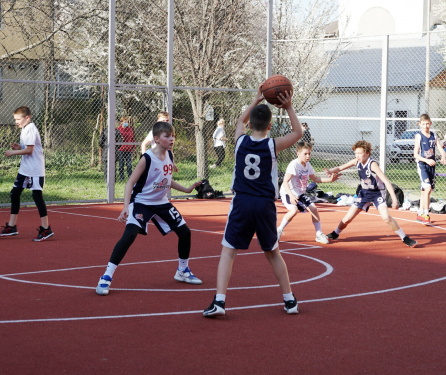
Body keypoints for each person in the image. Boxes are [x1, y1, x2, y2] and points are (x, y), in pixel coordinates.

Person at [203, 87, 303, 318]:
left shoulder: (239, 142)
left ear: (250, 125)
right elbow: (297, 132)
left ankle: (219, 301)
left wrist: (256, 99)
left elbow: (239, 120)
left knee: (228, 252)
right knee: (273, 252)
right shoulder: (272, 145)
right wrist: (288, 107)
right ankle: (289, 300)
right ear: (270, 126)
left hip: (242, 202)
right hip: (264, 204)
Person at [95, 121, 202, 296]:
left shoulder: (170, 156)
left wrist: (188, 189)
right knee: (129, 235)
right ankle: (106, 276)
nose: (172, 139)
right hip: (142, 202)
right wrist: (125, 207)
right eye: (168, 136)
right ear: (157, 139)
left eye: (173, 136)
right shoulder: (146, 158)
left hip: (161, 202)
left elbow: (167, 180)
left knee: (185, 232)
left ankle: (182, 271)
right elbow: (130, 182)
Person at [324, 140, 417, 247]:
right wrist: (331, 171)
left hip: (377, 194)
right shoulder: (356, 161)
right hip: (364, 194)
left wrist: (394, 199)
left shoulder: (372, 164)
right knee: (347, 218)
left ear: (367, 153)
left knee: (386, 217)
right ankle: (336, 233)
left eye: (359, 153)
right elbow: (340, 168)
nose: (357, 155)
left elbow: (386, 181)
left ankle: (404, 237)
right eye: (355, 153)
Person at [0, 106, 52, 241]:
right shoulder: (25, 129)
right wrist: (19, 147)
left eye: (18, 119)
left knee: (37, 196)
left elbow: (30, 151)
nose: (16, 122)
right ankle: (11, 226)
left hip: (35, 169)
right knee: (14, 193)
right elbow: (27, 147)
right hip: (25, 169)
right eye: (15, 119)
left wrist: (13, 153)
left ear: (27, 118)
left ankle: (46, 229)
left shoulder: (31, 129)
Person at [277, 141, 340, 244]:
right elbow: (285, 181)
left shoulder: (307, 165)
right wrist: (291, 196)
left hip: (300, 194)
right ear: (298, 154)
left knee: (314, 209)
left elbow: (315, 178)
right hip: (288, 193)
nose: (308, 156)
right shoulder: (294, 164)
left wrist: (330, 180)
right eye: (305, 154)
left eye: (309, 153)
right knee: (294, 211)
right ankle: (279, 230)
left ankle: (318, 234)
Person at [413, 114, 446, 225]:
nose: (426, 126)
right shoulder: (418, 136)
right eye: (423, 124)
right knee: (427, 189)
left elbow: (441, 149)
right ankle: (426, 213)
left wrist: (443, 157)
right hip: (422, 164)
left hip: (431, 165)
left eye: (427, 123)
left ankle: (421, 212)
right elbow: (415, 154)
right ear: (420, 124)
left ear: (430, 123)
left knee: (425, 190)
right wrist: (426, 160)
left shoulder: (434, 136)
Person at [117, 116, 136, 181]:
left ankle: (130, 177)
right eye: (125, 122)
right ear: (121, 122)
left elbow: (132, 138)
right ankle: (121, 178)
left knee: (129, 165)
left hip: (129, 149)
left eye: (127, 122)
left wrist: (134, 147)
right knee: (121, 164)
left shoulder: (130, 129)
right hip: (121, 149)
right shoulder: (118, 129)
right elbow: (116, 139)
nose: (126, 123)